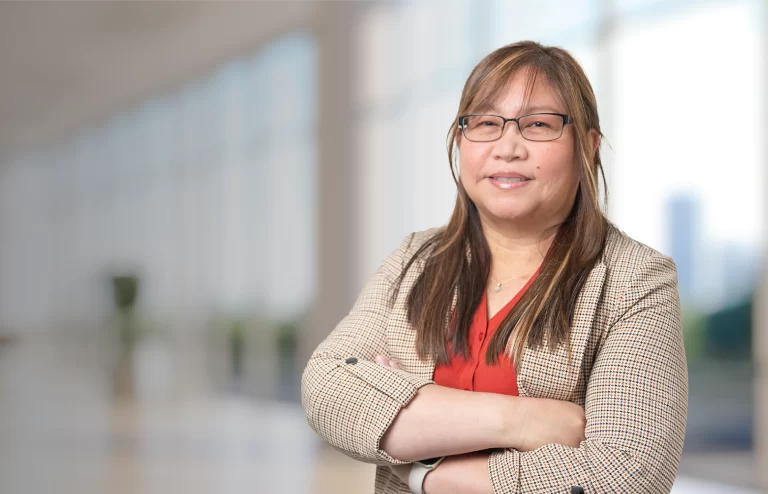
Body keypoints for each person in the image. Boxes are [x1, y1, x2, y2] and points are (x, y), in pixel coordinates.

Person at [301, 40, 688, 493]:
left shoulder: (635, 279)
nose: (508, 147)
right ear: (461, 140)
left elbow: (624, 476)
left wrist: (424, 466)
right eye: (485, 123)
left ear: (588, 145)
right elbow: (327, 385)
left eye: (538, 125)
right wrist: (522, 421)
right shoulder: (413, 259)